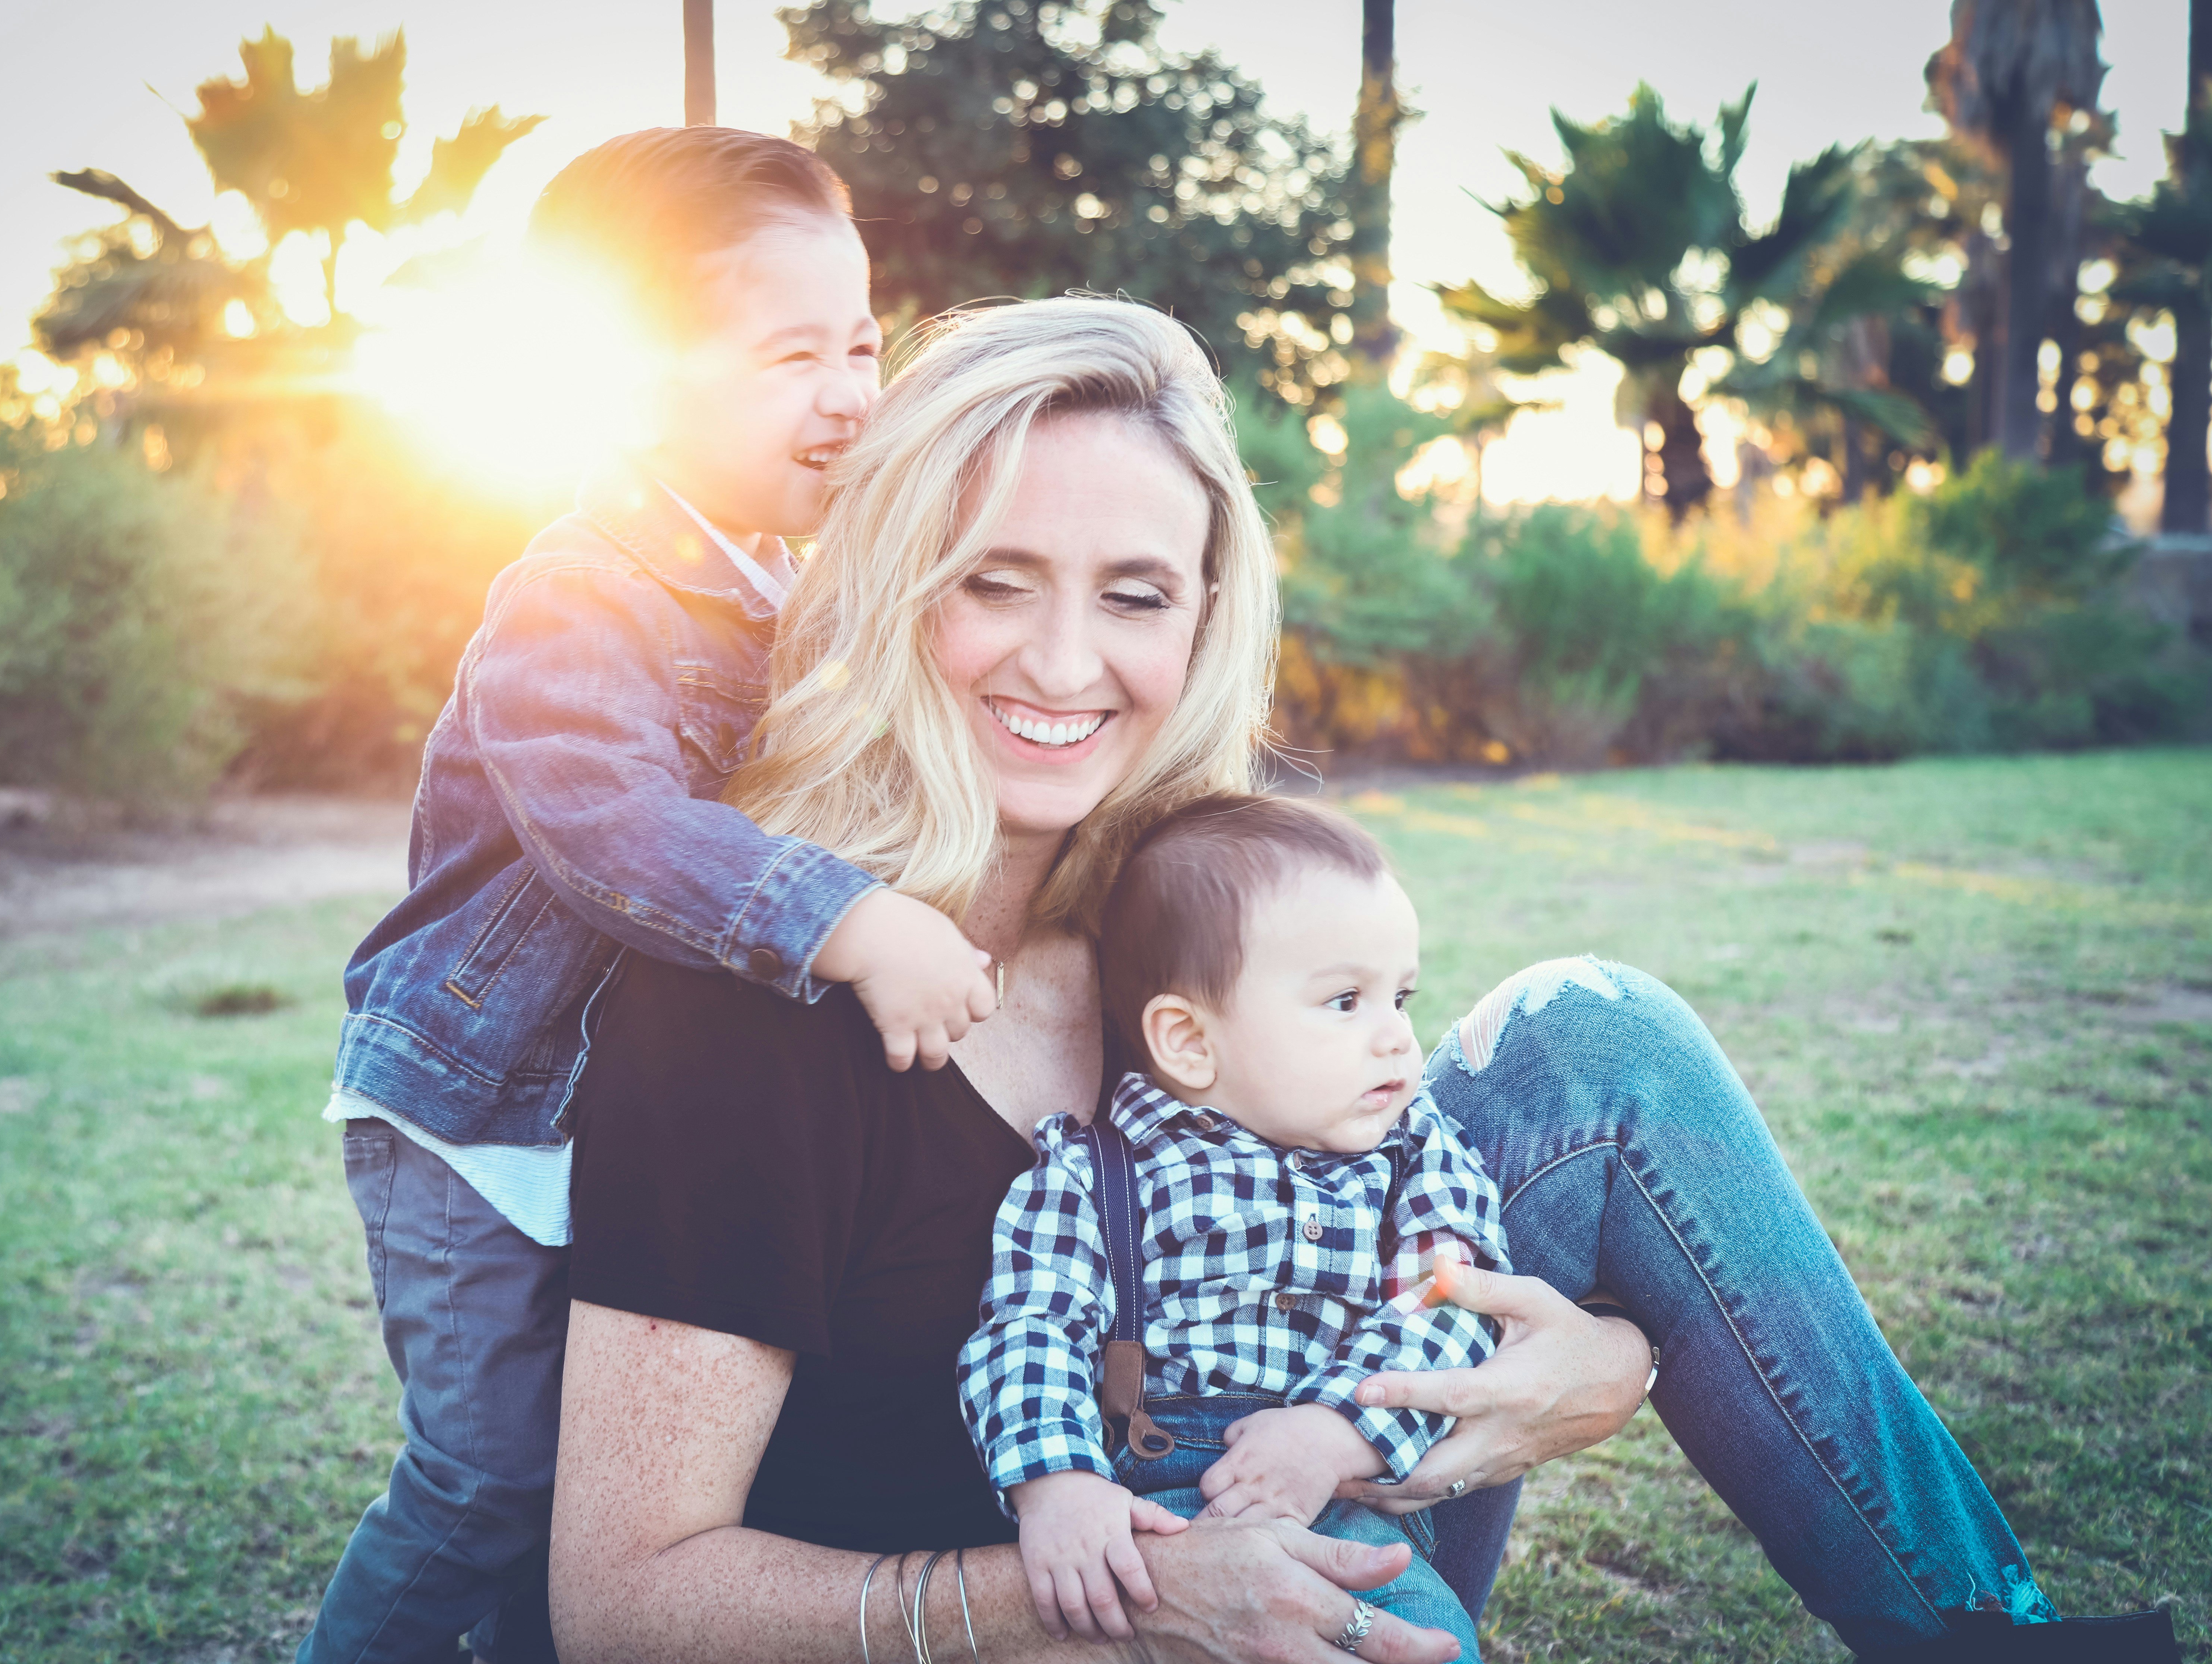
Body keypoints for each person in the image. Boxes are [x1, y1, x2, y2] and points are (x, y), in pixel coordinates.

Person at [549, 293, 2161, 1664]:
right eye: (994, 579)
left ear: (1203, 618)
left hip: (1313, 1537)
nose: (1063, 664)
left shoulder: (1174, 919)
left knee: (1596, 1041)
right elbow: (621, 1600)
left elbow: (1413, 1227)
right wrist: (1116, 1601)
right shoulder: (747, 1002)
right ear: (896, 585)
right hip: (1073, 1614)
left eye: (1134, 596)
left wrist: (1611, 1366)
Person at [299, 127, 998, 1664]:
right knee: (486, 1479)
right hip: (475, 1121)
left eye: (865, 341)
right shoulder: (577, 590)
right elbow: (608, 823)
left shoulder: (783, 586)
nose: (850, 390)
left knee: (596, 1497)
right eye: (791, 352)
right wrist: (845, 917)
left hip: (612, 1117)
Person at [962, 794, 1504, 1660]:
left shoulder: (1415, 1148)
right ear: (1186, 1040)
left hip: (1346, 1506)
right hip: (1150, 1512)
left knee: (1421, 1643)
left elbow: (1454, 1298)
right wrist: (1056, 1483)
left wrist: (1336, 1432)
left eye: (1401, 997)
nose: (1399, 1040)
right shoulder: (1097, 1168)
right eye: (1345, 1001)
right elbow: (1032, 1327)